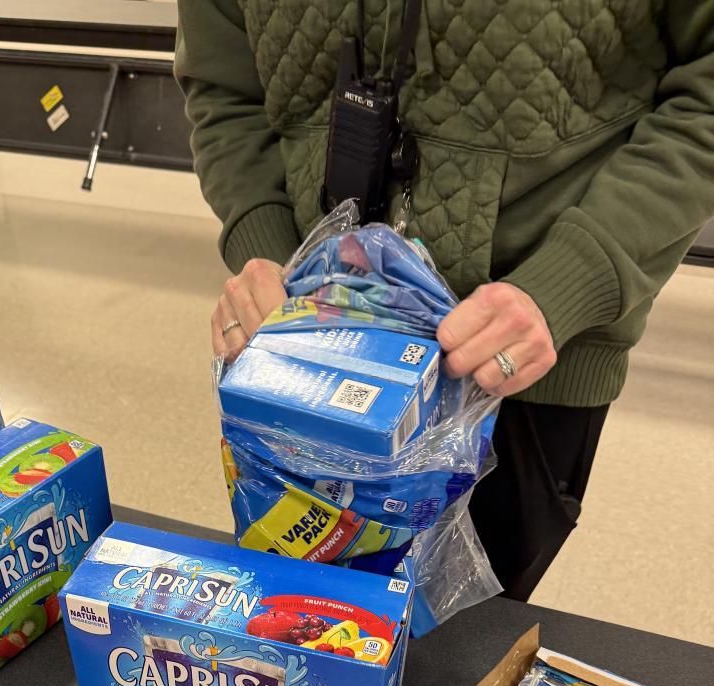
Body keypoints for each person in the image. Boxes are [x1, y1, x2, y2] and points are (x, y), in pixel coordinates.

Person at [175, 2, 714, 599]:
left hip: (513, 365)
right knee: (296, 612)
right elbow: (222, 86)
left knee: (469, 640)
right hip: (303, 353)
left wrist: (573, 276)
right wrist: (264, 241)